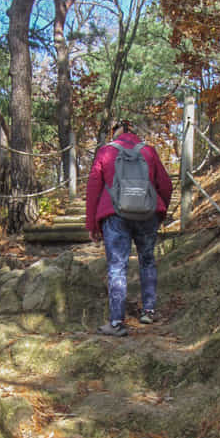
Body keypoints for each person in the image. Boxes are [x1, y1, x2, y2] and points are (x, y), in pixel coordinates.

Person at [85, 121, 173, 336]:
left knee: (117, 266)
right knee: (148, 260)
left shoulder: (105, 151)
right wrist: (160, 210)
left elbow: (93, 187)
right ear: (134, 134)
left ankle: (116, 322)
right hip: (147, 214)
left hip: (114, 214)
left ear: (115, 134)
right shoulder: (149, 151)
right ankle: (149, 311)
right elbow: (166, 185)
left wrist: (92, 224)